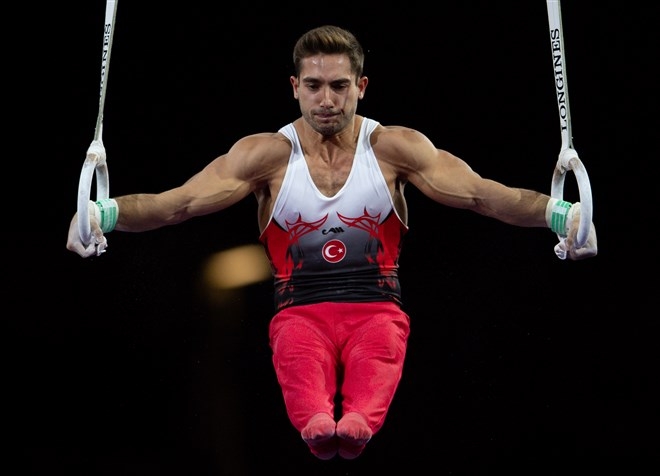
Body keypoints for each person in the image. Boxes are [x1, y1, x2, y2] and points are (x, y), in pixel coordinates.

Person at [67, 25, 597, 460]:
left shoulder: (394, 149)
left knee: (380, 357)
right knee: (299, 363)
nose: (326, 99)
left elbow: (483, 195)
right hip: (299, 314)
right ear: (293, 87)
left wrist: (561, 213)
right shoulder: (265, 157)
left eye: (339, 86)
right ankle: (317, 423)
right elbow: (176, 204)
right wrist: (101, 213)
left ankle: (360, 420)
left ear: (362, 87)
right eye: (314, 86)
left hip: (376, 311)